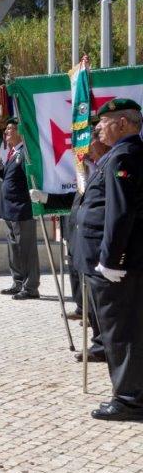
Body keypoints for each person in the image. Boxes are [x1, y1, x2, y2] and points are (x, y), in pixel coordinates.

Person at [73, 99, 143, 421]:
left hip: (118, 266)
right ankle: (131, 392)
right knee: (121, 328)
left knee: (121, 330)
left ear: (125, 124)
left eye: (105, 121)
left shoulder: (125, 156)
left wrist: (114, 261)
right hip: (114, 262)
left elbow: (121, 213)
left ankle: (129, 399)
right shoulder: (118, 154)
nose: (98, 127)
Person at [31, 136, 111, 363]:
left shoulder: (108, 166)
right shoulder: (88, 170)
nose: (83, 148)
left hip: (99, 242)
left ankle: (105, 344)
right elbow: (76, 201)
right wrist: (47, 198)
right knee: (92, 300)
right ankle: (100, 342)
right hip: (82, 242)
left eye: (90, 141)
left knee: (101, 300)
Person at [0, 119, 40, 300]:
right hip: (9, 210)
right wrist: (0, 168)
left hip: (22, 209)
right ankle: (18, 282)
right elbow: (10, 178)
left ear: (20, 131)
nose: (6, 132)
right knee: (14, 249)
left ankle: (31, 287)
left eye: (10, 129)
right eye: (5, 129)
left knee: (26, 249)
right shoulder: (12, 153)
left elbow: (29, 179)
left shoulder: (24, 153)